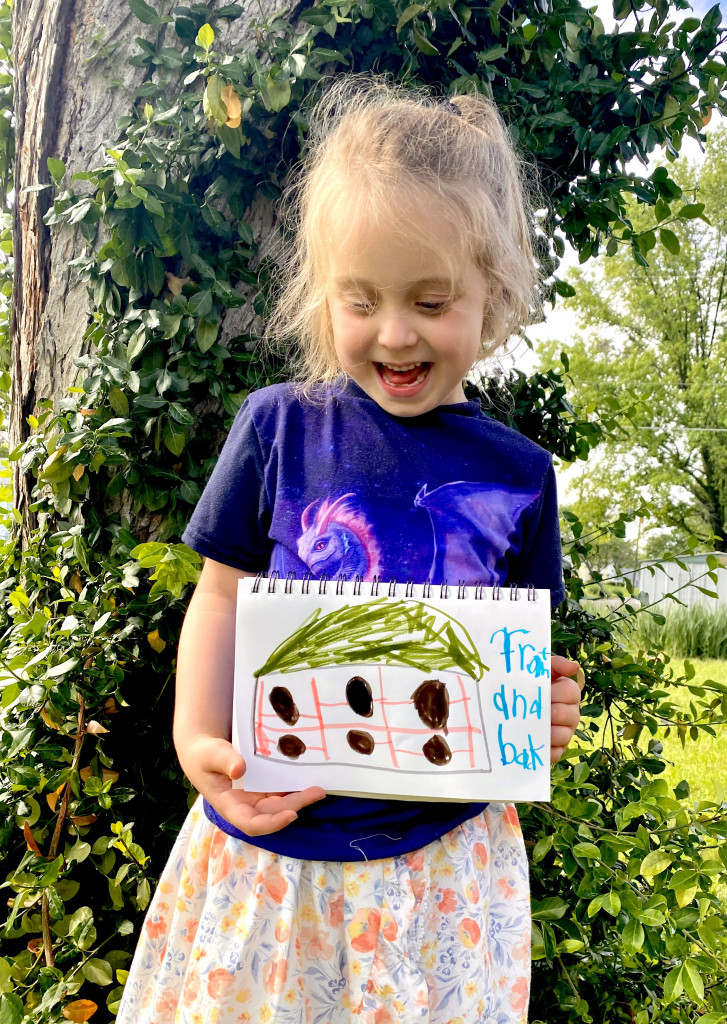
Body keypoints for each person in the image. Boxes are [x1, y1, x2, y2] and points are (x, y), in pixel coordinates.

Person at [117, 76, 582, 1024]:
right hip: (268, 843)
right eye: (359, 298)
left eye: (430, 298)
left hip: (440, 876)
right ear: (320, 294)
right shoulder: (276, 428)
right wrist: (195, 737)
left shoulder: (520, 476)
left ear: (490, 295)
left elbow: (518, 661)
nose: (394, 331)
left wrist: (541, 711)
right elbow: (220, 595)